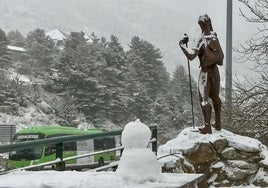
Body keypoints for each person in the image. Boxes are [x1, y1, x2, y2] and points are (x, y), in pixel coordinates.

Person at [179, 14, 222, 134]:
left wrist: (182, 45)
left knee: (204, 99)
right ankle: (218, 124)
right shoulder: (214, 37)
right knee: (216, 98)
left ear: (201, 25)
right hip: (215, 72)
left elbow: (191, 56)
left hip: (205, 73)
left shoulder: (201, 38)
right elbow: (220, 60)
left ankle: (207, 127)